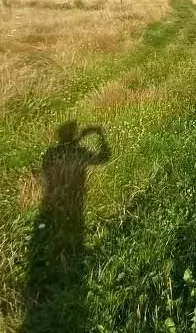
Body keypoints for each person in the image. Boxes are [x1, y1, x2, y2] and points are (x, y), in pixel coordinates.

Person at [23, 121, 109, 333]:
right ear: (74, 135)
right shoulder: (78, 152)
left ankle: (48, 283)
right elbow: (104, 158)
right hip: (75, 206)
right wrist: (98, 136)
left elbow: (43, 174)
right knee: (72, 240)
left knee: (51, 240)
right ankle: (65, 280)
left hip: (50, 205)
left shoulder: (50, 153)